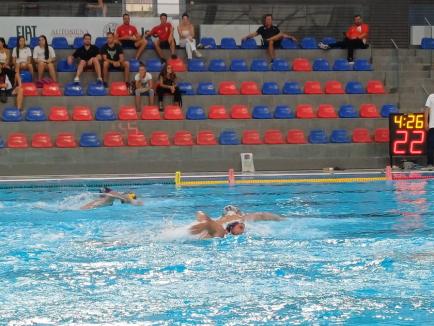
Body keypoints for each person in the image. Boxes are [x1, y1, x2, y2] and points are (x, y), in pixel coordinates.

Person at [189, 205, 284, 239]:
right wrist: (280, 218)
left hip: (217, 229)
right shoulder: (241, 217)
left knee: (210, 228)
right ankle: (206, 223)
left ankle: (205, 222)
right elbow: (262, 215)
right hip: (231, 227)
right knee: (217, 230)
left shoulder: (220, 220)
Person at [424, 94, 434, 169]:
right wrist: (426, 122)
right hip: (432, 126)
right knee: (431, 145)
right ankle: (430, 163)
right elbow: (426, 109)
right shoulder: (431, 96)